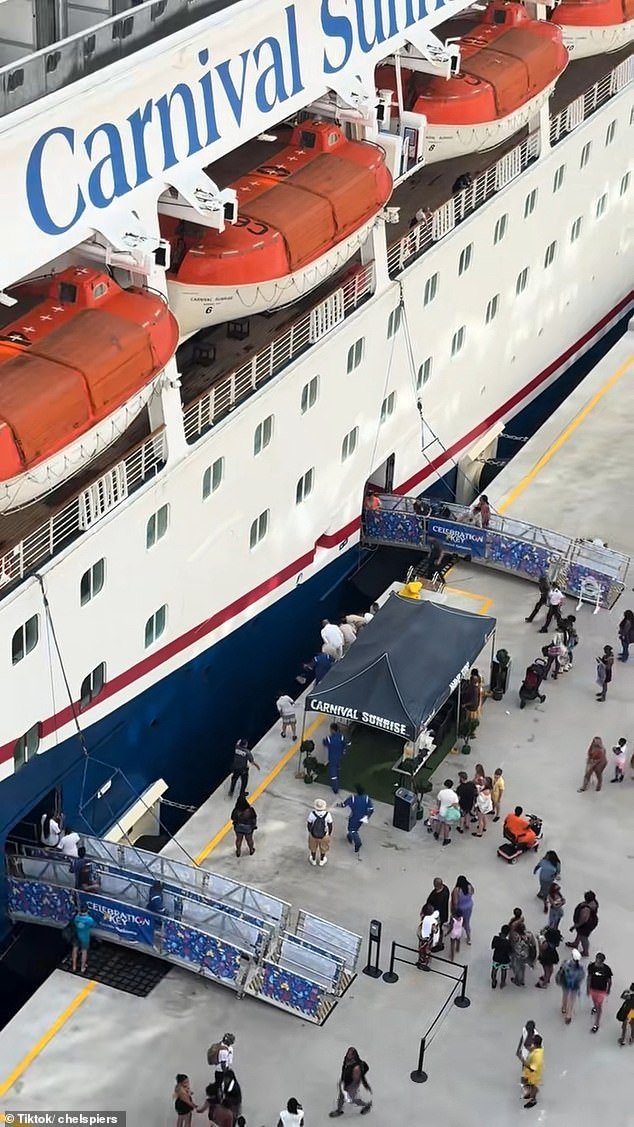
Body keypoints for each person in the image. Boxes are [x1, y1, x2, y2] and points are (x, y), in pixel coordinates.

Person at [329, 1052, 372, 1117]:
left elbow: (362, 1077)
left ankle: (366, 1105)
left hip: (351, 1085)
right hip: (345, 1082)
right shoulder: (348, 1061)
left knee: (352, 1099)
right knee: (341, 1097)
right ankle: (339, 1110)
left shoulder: (358, 1067)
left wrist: (365, 1085)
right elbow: (344, 1070)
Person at [338, 785, 374, 857]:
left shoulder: (353, 798)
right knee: (355, 828)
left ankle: (358, 842)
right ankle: (349, 836)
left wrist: (338, 805)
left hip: (354, 817)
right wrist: (367, 816)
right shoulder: (367, 799)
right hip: (362, 818)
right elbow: (371, 809)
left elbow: (343, 805)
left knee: (352, 830)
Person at [556, 948, 585, 1024]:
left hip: (565, 983)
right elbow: (582, 976)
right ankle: (568, 1015)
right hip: (575, 985)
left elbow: (561, 971)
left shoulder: (566, 963)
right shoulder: (580, 967)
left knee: (565, 995)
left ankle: (564, 1007)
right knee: (572, 999)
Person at [566, 890, 599, 956]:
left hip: (586, 925)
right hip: (591, 921)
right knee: (580, 933)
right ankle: (576, 943)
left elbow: (584, 920)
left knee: (583, 937)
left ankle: (585, 952)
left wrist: (575, 926)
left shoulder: (586, 909)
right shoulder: (594, 902)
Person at [587, 952, 612, 1032]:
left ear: (602, 961)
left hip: (601, 990)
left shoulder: (607, 969)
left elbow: (609, 981)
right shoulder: (591, 966)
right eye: (596, 959)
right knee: (594, 1001)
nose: (596, 962)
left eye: (598, 960)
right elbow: (589, 977)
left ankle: (596, 1024)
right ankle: (595, 1007)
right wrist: (588, 988)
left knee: (599, 1006)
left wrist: (608, 989)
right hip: (593, 988)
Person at [307, 797, 333, 866]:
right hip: (324, 835)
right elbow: (330, 825)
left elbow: (309, 824)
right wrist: (329, 834)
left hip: (313, 835)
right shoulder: (327, 814)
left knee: (313, 848)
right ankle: (322, 860)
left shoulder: (312, 814)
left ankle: (313, 860)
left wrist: (310, 832)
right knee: (323, 848)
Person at [433, 779, 460, 845]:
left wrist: (439, 808)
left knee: (439, 822)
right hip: (449, 813)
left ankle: (437, 834)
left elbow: (438, 802)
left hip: (442, 811)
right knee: (446, 826)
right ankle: (446, 839)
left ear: (445, 785)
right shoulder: (454, 795)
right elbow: (456, 804)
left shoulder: (441, 792)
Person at [510, 922, 537, 987]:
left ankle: (518, 980)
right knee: (523, 967)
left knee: (518, 967)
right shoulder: (529, 934)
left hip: (518, 954)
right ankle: (521, 980)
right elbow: (533, 944)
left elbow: (512, 943)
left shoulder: (515, 935)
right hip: (527, 953)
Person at [426, 877, 450, 948]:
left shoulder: (439, 897)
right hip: (442, 913)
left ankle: (439, 943)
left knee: (438, 928)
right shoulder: (445, 888)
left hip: (438, 916)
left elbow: (435, 906)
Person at [70, 905, 95, 974]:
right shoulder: (89, 919)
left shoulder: (76, 917)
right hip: (85, 937)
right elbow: (93, 925)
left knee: (74, 950)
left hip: (76, 936)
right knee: (84, 952)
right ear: (87, 911)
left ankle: (74, 966)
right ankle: (82, 967)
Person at [521, 1034, 544, 1109]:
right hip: (531, 1070)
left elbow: (533, 1067)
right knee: (526, 1082)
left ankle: (533, 1099)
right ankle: (530, 1093)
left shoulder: (537, 1054)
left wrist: (523, 1061)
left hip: (533, 1072)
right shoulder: (537, 1049)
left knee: (531, 1084)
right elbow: (531, 1049)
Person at [323, 723, 347, 794]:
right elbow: (345, 744)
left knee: (333, 774)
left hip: (332, 759)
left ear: (332, 730)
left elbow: (325, 743)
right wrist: (344, 751)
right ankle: (338, 779)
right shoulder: (341, 737)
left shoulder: (329, 739)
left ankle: (335, 789)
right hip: (340, 757)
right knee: (337, 770)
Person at [451, 876, 474, 946]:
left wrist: (454, 910)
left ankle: (452, 927)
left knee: (456, 919)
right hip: (469, 907)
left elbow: (455, 902)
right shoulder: (470, 886)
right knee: (467, 921)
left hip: (460, 908)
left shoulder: (457, 890)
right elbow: (472, 893)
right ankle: (469, 937)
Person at [417, 904, 440, 970]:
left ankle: (425, 963)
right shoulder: (430, 919)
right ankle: (423, 961)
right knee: (423, 950)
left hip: (427, 939)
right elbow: (435, 930)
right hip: (425, 938)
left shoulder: (430, 920)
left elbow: (435, 930)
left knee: (425, 950)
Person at [491, 923, 512, 989]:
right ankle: (502, 983)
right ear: (508, 934)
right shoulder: (508, 942)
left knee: (494, 969)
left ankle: (493, 982)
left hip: (496, 958)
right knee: (504, 971)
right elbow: (510, 952)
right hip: (505, 959)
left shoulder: (495, 938)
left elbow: (492, 946)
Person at [456, 770, 477, 834]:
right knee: (467, 812)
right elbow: (475, 791)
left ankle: (461, 828)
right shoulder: (471, 784)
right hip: (470, 802)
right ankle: (467, 824)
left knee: (462, 815)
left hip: (463, 804)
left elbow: (458, 797)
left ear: (461, 778)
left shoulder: (460, 788)